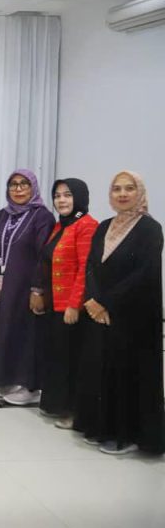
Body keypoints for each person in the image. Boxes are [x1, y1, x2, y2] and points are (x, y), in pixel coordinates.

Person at [79, 171, 163, 456]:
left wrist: (105, 302)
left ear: (140, 193)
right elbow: (91, 266)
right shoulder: (105, 226)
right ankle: (101, 427)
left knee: (127, 373)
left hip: (132, 316)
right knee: (102, 370)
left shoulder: (150, 229)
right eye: (117, 189)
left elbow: (144, 274)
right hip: (99, 313)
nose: (123, 194)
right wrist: (92, 299)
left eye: (129, 188)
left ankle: (126, 435)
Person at [0, 170, 55, 404]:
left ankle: (29, 387)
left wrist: (38, 289)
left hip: (25, 286)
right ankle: (8, 379)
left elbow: (44, 256)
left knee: (26, 332)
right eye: (13, 184)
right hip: (3, 284)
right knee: (5, 329)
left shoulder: (42, 216)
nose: (18, 189)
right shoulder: (3, 214)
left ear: (33, 187)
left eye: (24, 184)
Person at [36, 179, 97, 427]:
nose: (61, 200)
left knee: (72, 359)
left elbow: (85, 269)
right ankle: (57, 405)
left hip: (71, 306)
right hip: (55, 301)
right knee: (58, 356)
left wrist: (75, 304)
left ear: (80, 197)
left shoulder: (86, 225)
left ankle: (73, 411)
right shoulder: (62, 225)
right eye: (57, 195)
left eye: (67, 195)